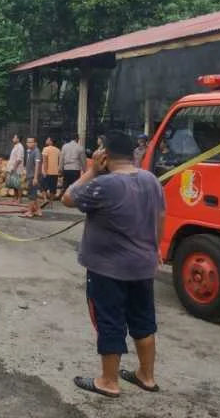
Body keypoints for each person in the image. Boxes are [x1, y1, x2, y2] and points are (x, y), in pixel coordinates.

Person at [62, 130, 164, 399]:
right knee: (143, 320)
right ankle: (146, 376)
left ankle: (108, 381)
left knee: (110, 320)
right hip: (143, 265)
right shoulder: (151, 180)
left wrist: (92, 170)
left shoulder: (104, 185)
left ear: (104, 155)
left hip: (108, 268)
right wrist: (156, 248)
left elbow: (68, 198)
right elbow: (160, 216)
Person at [22, 137, 42, 218]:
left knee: (31, 195)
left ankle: (30, 212)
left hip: (33, 176)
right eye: (27, 142)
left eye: (31, 142)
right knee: (34, 194)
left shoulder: (36, 151)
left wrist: (35, 178)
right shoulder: (30, 151)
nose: (28, 143)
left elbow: (37, 165)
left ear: (35, 143)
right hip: (30, 175)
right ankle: (38, 211)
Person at [6, 134, 25, 203]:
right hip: (13, 167)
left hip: (17, 168)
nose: (13, 139)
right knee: (14, 184)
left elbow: (19, 159)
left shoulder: (20, 147)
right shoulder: (16, 146)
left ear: (18, 139)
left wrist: (14, 168)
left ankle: (19, 199)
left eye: (14, 137)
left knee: (17, 184)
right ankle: (15, 198)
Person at [41, 137, 61, 201]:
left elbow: (45, 161)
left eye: (48, 139)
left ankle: (45, 199)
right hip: (55, 172)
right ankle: (51, 202)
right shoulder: (58, 150)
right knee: (53, 188)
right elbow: (59, 161)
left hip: (47, 172)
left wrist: (45, 171)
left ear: (51, 142)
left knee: (43, 187)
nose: (46, 140)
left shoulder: (45, 149)